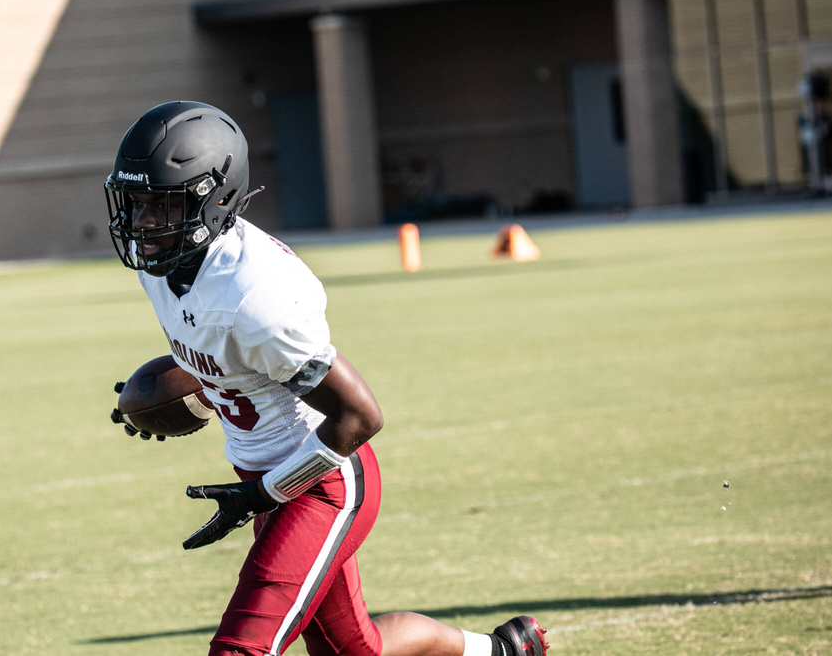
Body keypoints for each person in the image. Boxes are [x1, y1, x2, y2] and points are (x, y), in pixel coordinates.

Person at [105, 101, 548, 656]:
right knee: (355, 651)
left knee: (242, 649)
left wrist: (262, 494)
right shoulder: (165, 264)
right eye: (135, 203)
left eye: (159, 207)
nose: (141, 224)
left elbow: (359, 417)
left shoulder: (255, 294)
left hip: (322, 483)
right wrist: (176, 392)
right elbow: (224, 355)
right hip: (265, 475)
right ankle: (504, 651)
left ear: (213, 200)